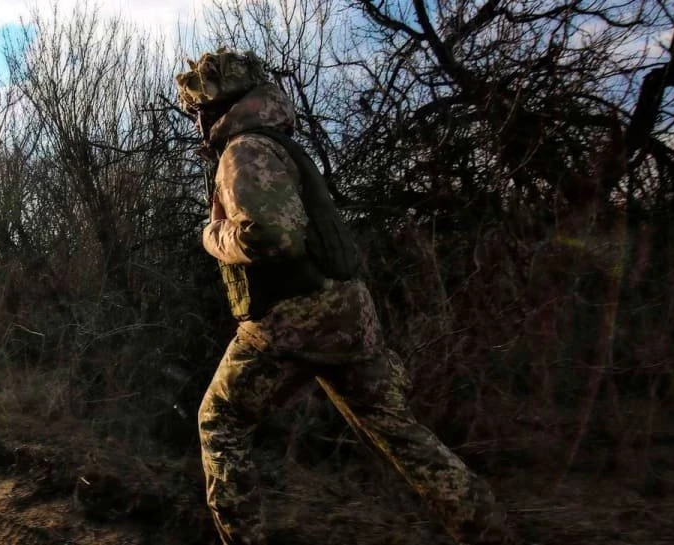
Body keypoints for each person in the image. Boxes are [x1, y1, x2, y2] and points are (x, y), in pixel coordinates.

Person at [176, 48, 519, 545]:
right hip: (349, 319)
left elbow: (273, 237)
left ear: (216, 108)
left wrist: (212, 236)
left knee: (219, 421)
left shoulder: (244, 150)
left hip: (291, 322)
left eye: (199, 112)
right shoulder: (282, 146)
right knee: (402, 436)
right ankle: (490, 533)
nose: (197, 124)